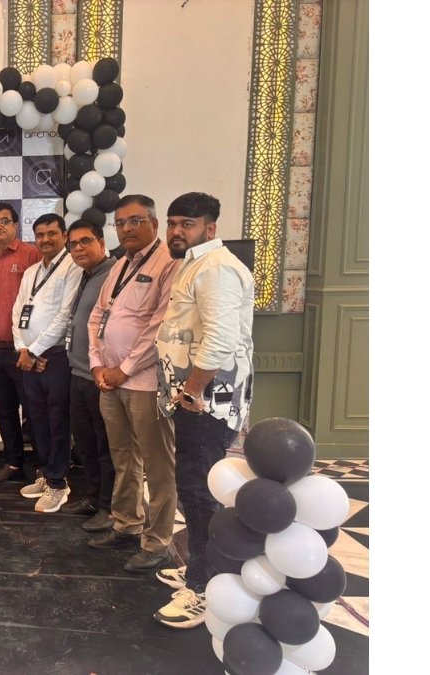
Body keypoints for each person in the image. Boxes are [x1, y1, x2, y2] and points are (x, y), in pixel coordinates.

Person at [150, 192, 255, 628]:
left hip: (206, 401)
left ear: (210, 228)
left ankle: (203, 588)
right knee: (193, 485)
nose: (176, 231)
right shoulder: (195, 263)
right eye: (173, 222)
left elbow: (220, 339)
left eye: (187, 224)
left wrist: (192, 390)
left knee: (198, 490)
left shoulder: (216, 268)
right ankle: (197, 565)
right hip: (196, 398)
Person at [85, 196, 180, 576]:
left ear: (154, 224)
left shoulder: (168, 263)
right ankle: (127, 524)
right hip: (109, 379)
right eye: (121, 222)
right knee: (123, 457)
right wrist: (97, 364)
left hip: (144, 381)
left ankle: (157, 542)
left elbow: (160, 326)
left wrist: (123, 369)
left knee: (157, 465)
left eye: (135, 221)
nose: (126, 228)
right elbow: (97, 315)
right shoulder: (120, 264)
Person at [12, 213, 81, 513]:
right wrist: (23, 350)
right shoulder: (31, 272)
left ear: (64, 235)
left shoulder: (73, 267)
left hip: (56, 357)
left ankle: (58, 484)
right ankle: (45, 473)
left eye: (51, 233)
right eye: (40, 234)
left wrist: (34, 351)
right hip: (28, 358)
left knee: (57, 421)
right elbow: (17, 312)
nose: (45, 239)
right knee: (36, 419)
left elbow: (65, 316)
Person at [0, 202, 41, 483]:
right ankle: (13, 462)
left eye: (4, 221)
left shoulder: (32, 255)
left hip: (22, 350)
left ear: (16, 225)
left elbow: (44, 303)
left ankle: (43, 468)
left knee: (34, 410)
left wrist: (35, 348)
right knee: (4, 410)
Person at [60, 219, 117, 527]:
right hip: (78, 373)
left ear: (102, 243)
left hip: (102, 377)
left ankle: (109, 508)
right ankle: (93, 497)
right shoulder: (86, 275)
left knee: (107, 446)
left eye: (85, 241)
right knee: (86, 444)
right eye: (73, 244)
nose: (78, 248)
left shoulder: (114, 274)